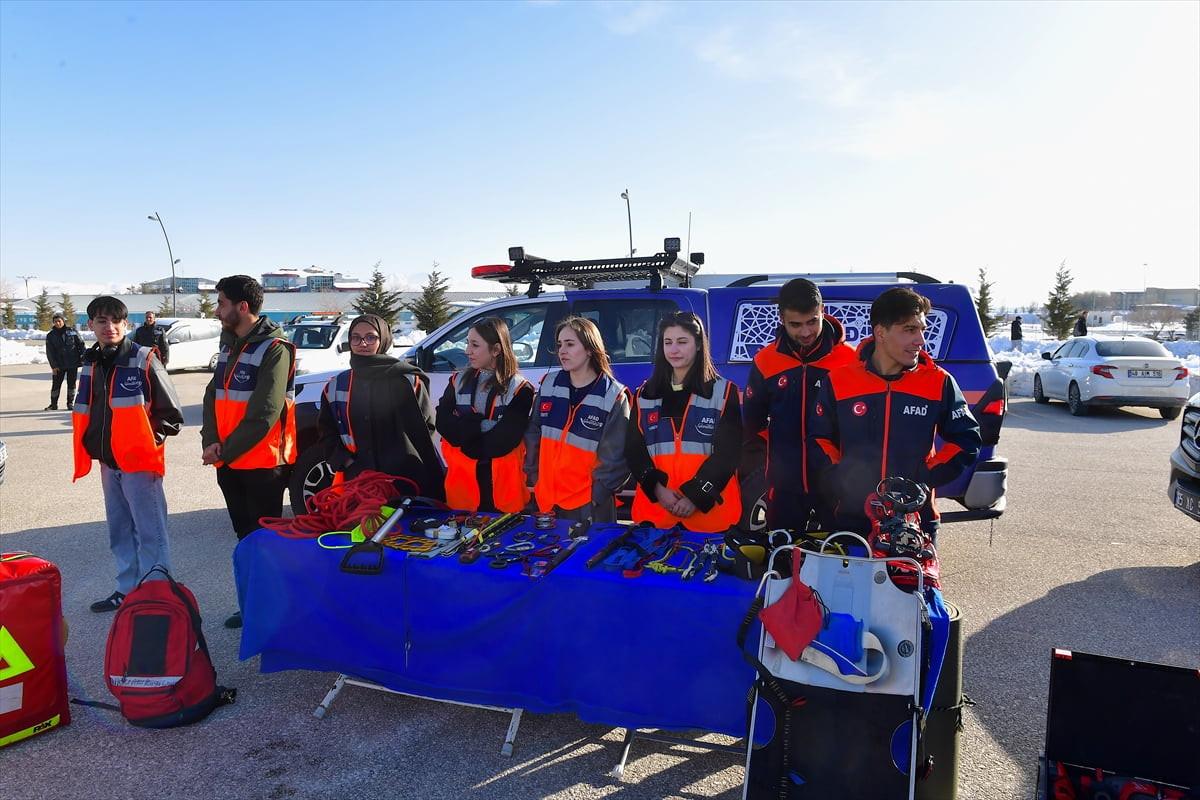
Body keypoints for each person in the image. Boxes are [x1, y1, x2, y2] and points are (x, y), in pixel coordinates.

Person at [807, 287, 982, 538]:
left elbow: (966, 439)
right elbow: (819, 439)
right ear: (880, 332)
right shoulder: (839, 381)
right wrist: (841, 479)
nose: (920, 340)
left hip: (916, 521)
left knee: (914, 580)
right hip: (852, 519)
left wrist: (923, 477)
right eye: (909, 330)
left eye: (922, 329)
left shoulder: (938, 382)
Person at [72, 296, 184, 612]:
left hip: (139, 464)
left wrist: (145, 444)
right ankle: (127, 590)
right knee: (120, 531)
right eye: (101, 321)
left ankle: (159, 595)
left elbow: (171, 415)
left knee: (151, 534)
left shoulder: (144, 359)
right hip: (108, 463)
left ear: (126, 324)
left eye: (115, 321)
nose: (109, 327)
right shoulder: (91, 362)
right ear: (91, 325)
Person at [201, 275, 297, 629]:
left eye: (222, 303)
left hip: (261, 463)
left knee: (265, 540)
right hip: (228, 460)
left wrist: (222, 450)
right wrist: (210, 439)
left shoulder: (275, 349)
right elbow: (213, 394)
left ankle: (275, 611)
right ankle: (254, 606)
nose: (217, 310)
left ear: (242, 307)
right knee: (245, 537)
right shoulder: (230, 345)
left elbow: (265, 413)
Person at [742, 278, 857, 532]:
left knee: (840, 563)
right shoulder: (765, 361)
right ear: (781, 318)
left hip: (837, 485)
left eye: (812, 321)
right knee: (783, 559)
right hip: (785, 488)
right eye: (796, 324)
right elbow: (753, 423)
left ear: (822, 311)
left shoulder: (850, 360)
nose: (805, 332)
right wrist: (775, 463)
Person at [625, 311, 742, 533]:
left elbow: (729, 453)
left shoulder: (725, 392)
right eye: (668, 342)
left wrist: (695, 497)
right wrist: (658, 490)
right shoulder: (644, 394)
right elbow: (634, 451)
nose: (674, 349)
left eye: (682, 342)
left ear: (698, 344)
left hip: (710, 518)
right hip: (656, 514)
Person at [316, 314, 444, 498]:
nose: (363, 343)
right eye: (356, 338)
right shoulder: (336, 386)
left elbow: (427, 429)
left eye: (370, 337)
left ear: (383, 339)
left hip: (408, 482)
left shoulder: (409, 381)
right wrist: (348, 463)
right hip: (359, 483)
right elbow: (326, 434)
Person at [524, 316, 631, 523]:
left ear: (590, 349)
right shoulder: (550, 384)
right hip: (546, 500)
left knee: (589, 556)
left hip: (587, 504)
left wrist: (597, 496)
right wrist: (536, 477)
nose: (562, 351)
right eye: (559, 345)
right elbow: (533, 433)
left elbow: (617, 456)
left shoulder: (614, 396)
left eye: (570, 344)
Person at [435, 317, 534, 513]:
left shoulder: (520, 389)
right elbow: (443, 424)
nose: (467, 351)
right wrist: (482, 426)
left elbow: (503, 441)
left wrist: (465, 429)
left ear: (496, 350)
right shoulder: (457, 380)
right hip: (462, 494)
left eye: (475, 345)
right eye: (467, 343)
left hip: (502, 497)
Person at [44, 312, 85, 411]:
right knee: (56, 385)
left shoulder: (72, 331)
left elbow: (81, 345)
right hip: (59, 365)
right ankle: (53, 404)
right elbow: (50, 352)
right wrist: (54, 366)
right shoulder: (51, 335)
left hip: (72, 363)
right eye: (55, 322)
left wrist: (83, 358)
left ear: (63, 321)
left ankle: (70, 403)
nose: (57, 323)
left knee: (71, 385)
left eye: (59, 321)